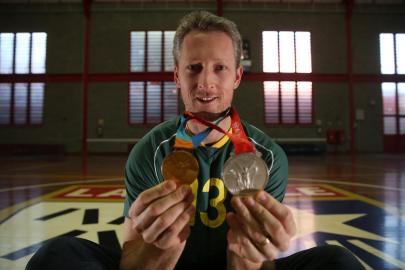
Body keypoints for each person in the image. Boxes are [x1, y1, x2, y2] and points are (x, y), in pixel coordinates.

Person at [27, 10, 364, 270]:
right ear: (176, 75)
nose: (205, 82)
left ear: (237, 76)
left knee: (339, 263)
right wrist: (159, 247)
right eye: (193, 68)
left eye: (220, 68)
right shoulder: (149, 151)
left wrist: (250, 256)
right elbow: (133, 261)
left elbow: (259, 266)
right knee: (55, 256)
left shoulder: (268, 156)